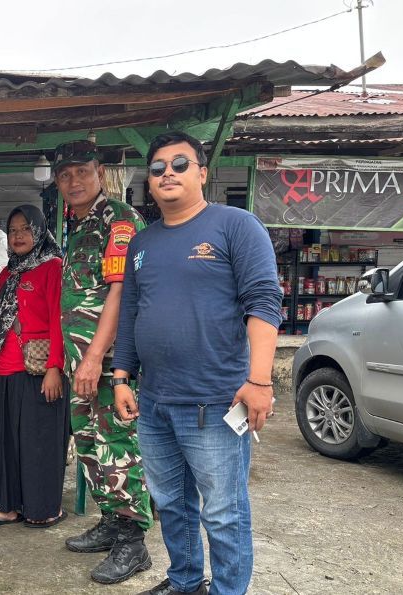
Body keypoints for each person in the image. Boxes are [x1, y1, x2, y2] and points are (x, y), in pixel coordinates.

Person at [111, 131, 282, 595]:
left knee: (223, 512)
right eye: (158, 166)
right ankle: (185, 581)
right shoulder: (142, 243)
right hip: (155, 402)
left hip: (217, 402)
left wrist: (260, 381)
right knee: (171, 504)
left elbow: (264, 302)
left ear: (202, 173)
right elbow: (131, 313)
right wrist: (121, 376)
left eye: (180, 164)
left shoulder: (236, 226)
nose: (168, 172)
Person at [53, 140, 153, 584]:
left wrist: (95, 358)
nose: (73, 181)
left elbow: (120, 292)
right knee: (90, 443)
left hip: (109, 361)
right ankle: (113, 521)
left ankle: (134, 542)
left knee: (118, 443)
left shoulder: (119, 220)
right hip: (82, 360)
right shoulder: (78, 224)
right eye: (64, 175)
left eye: (81, 172)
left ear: (99, 172)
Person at [0, 205, 67, 529]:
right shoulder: (7, 273)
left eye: (26, 229)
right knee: (5, 443)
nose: (19, 236)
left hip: (40, 370)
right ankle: (6, 506)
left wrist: (55, 367)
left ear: (39, 231)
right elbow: (9, 316)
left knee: (39, 443)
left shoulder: (53, 268)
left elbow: (59, 320)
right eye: (13, 231)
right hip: (6, 368)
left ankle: (43, 508)